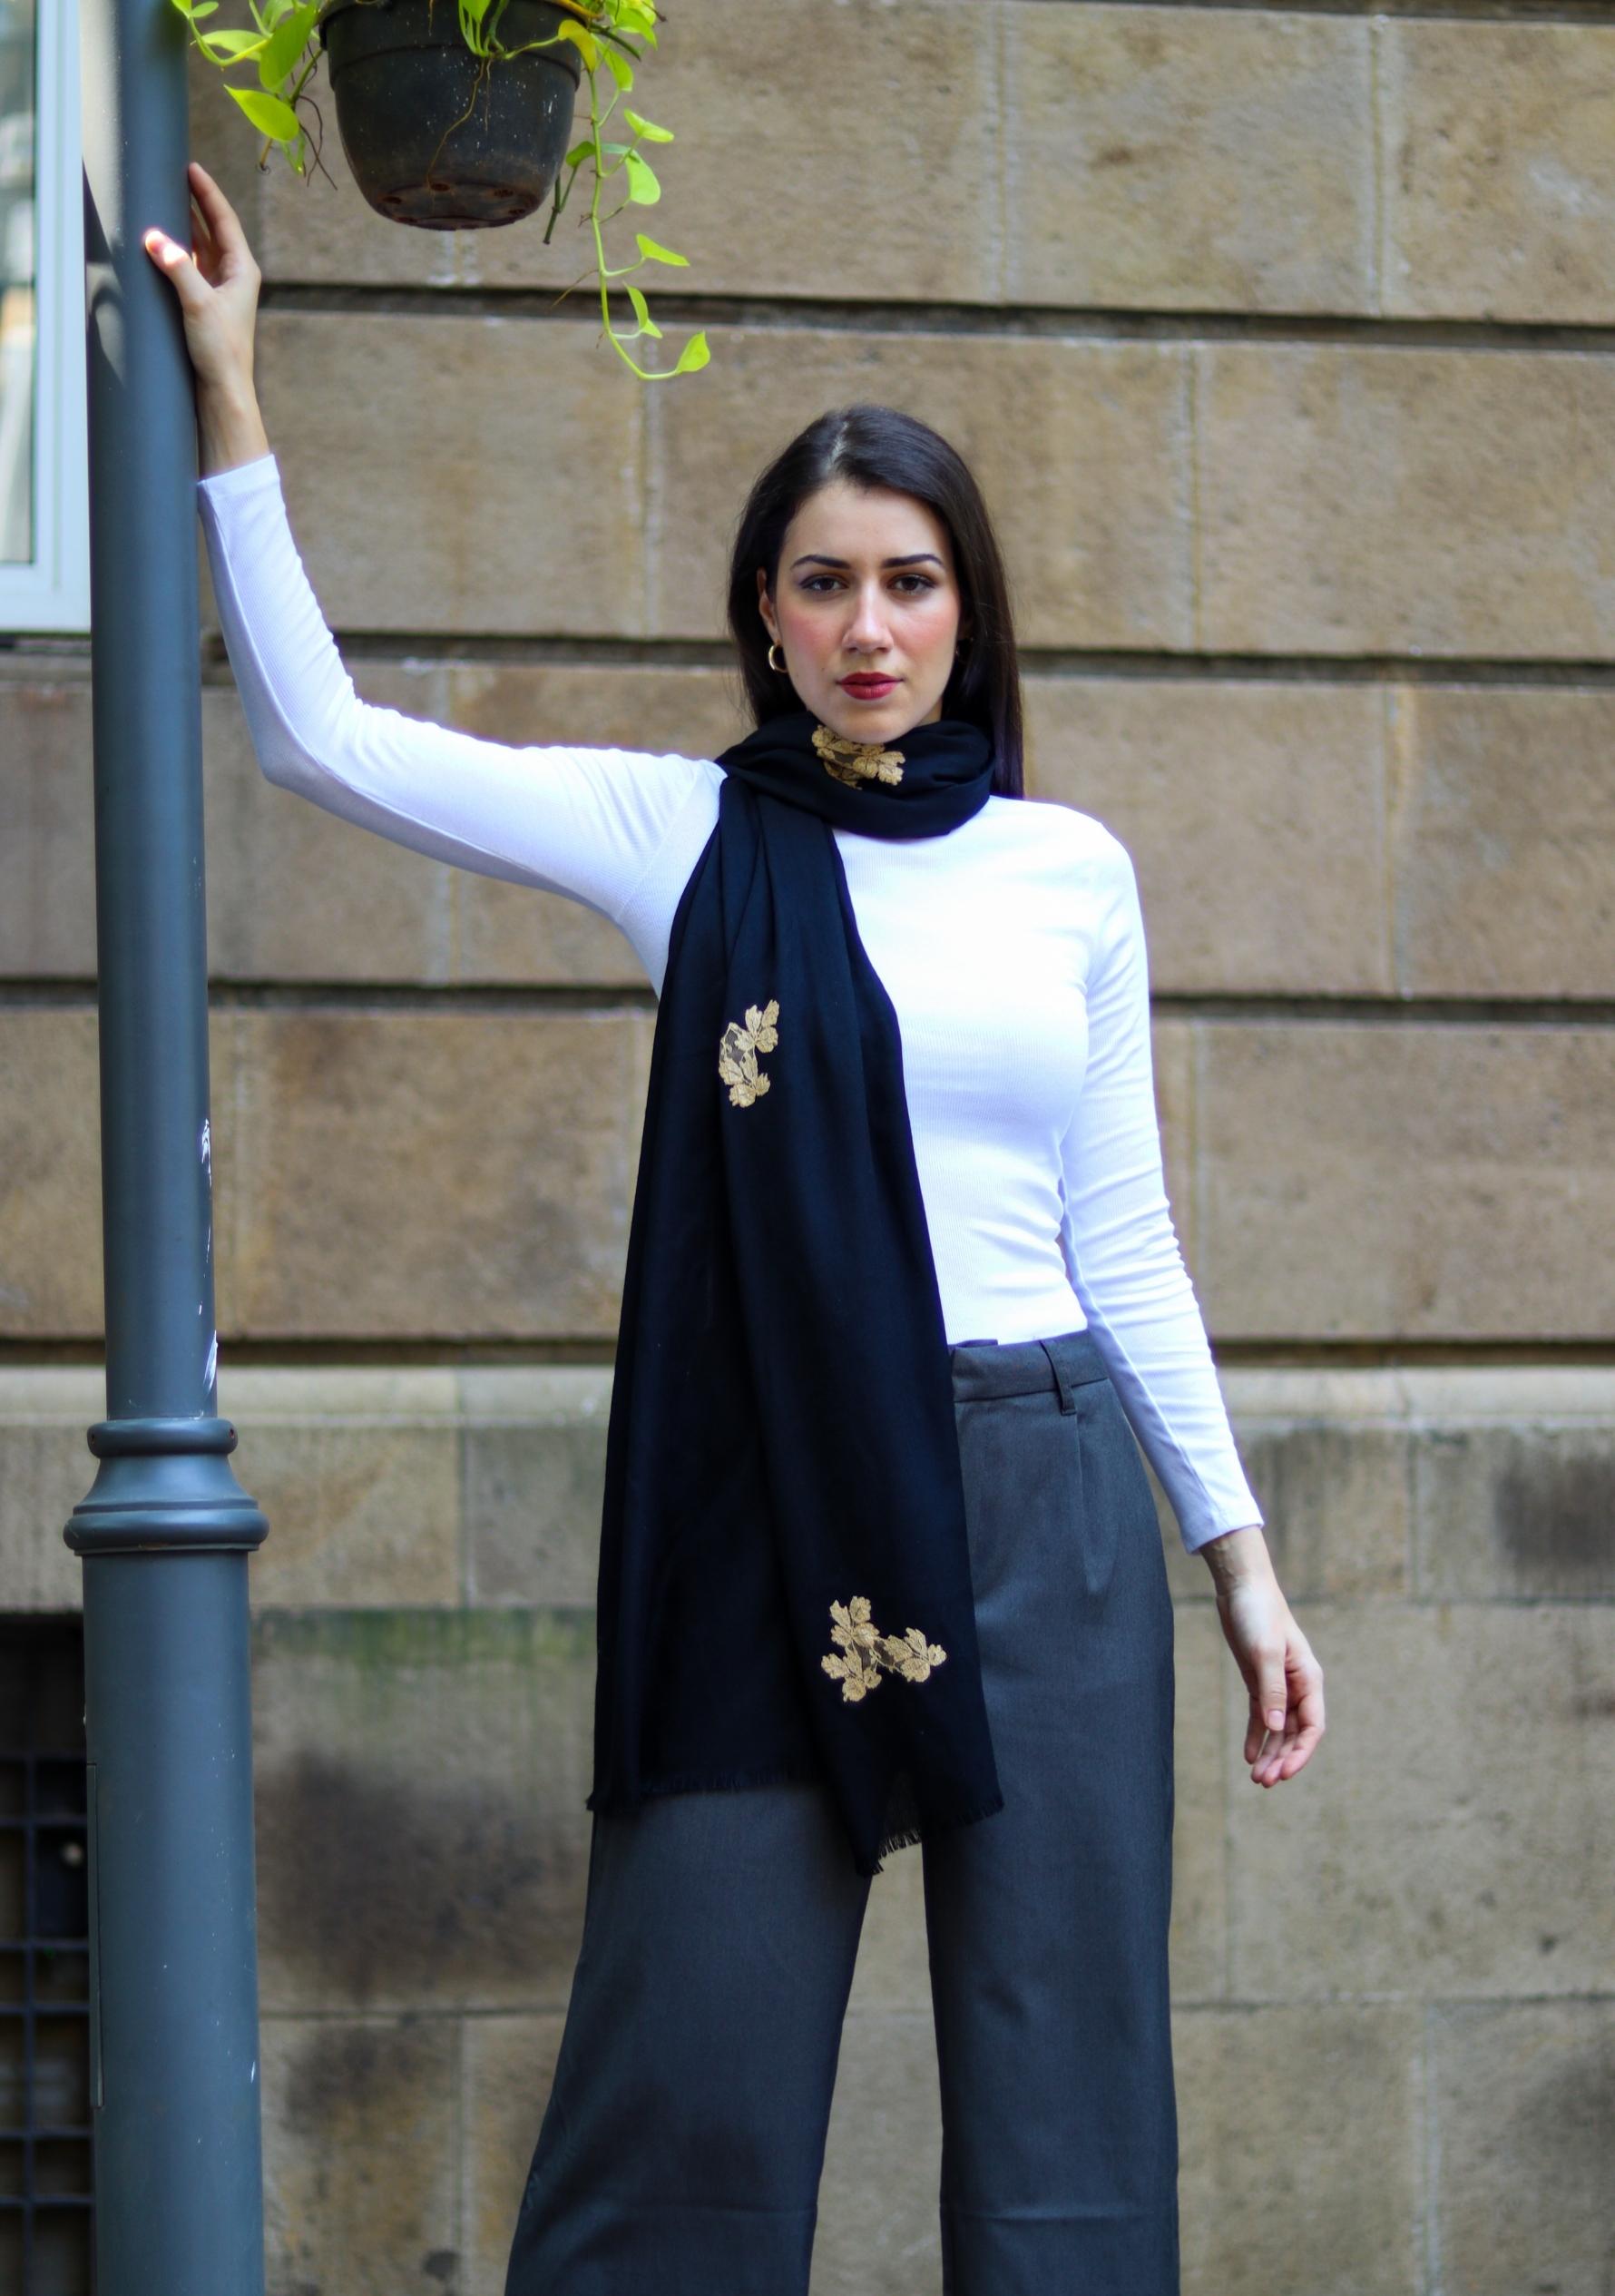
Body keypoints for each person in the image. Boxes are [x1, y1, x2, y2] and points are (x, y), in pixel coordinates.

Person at [147, 161, 1326, 2296]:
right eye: (819, 585)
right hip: (773, 1488)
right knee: (690, 2052)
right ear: (759, 614)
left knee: (1067, 2087)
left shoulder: (1069, 869)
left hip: (1047, 1492)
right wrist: (235, 395)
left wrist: (1235, 1559)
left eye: (906, 582)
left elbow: (1120, 1232)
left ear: (965, 605)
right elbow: (324, 739)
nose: (866, 629)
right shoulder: (681, 835)